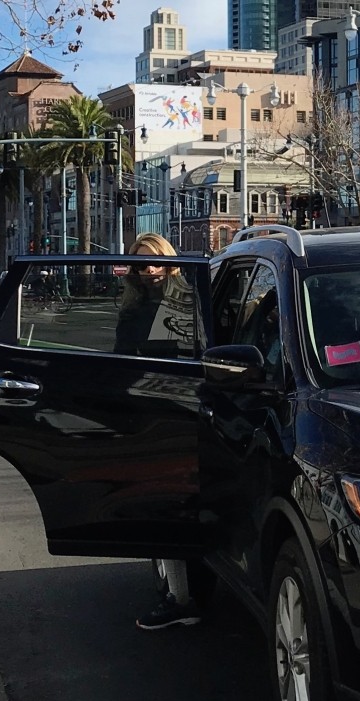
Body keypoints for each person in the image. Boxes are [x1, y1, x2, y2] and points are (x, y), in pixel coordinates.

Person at [121, 233, 202, 630]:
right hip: (151, 416)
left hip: (191, 412)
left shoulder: (190, 302)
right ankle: (178, 595)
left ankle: (182, 598)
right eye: (140, 264)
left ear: (170, 263)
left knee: (174, 508)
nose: (149, 270)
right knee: (162, 507)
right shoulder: (132, 308)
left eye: (155, 262)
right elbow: (121, 361)